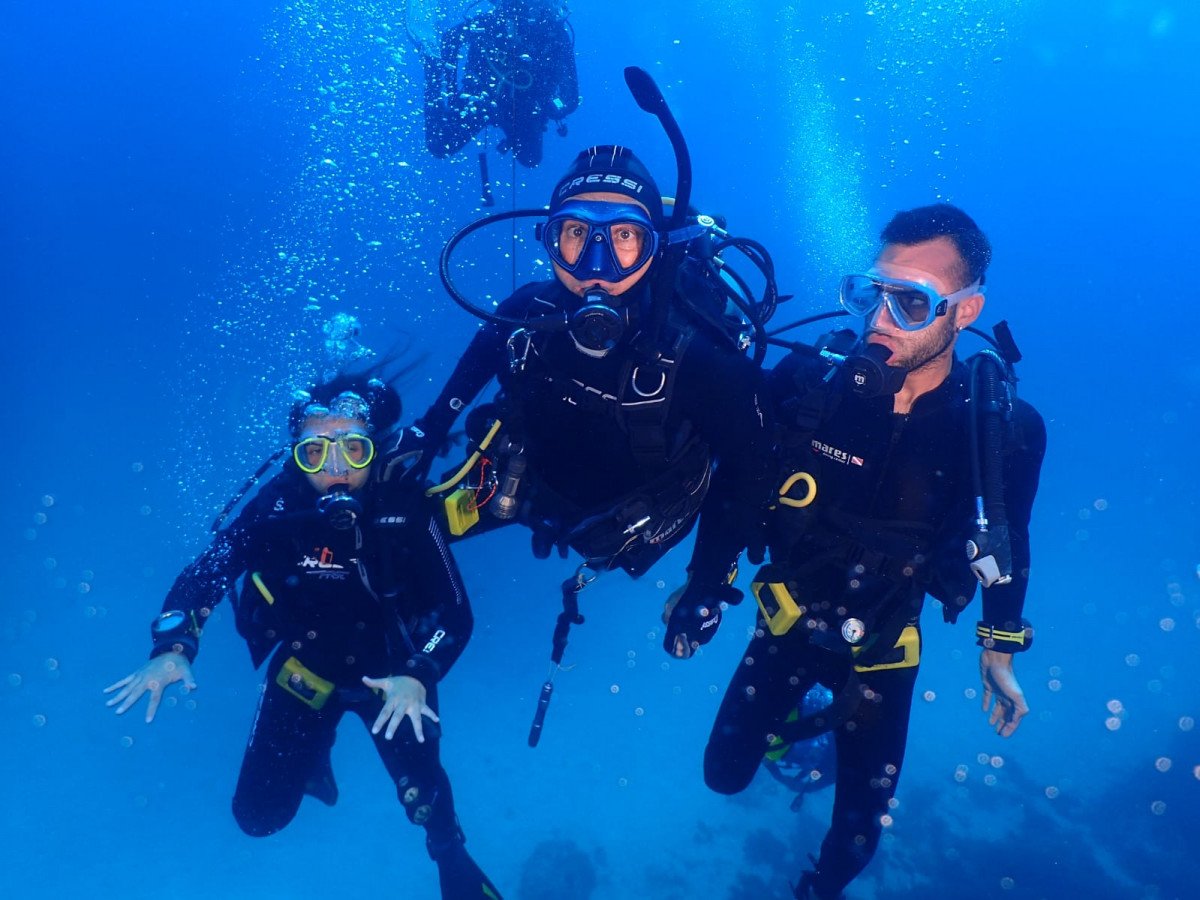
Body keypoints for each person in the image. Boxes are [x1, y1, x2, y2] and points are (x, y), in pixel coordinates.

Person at [699, 204, 1046, 899]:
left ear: (964, 310)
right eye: (871, 293)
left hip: (885, 645)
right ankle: (793, 732)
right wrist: (704, 580)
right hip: (787, 619)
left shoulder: (1001, 428)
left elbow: (1010, 537)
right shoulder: (807, 385)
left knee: (852, 847)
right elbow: (732, 488)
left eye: (912, 302)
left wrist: (998, 647)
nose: (881, 319)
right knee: (723, 773)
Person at [104, 375, 502, 900]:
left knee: (425, 799)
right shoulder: (275, 508)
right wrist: (173, 649)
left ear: (373, 452)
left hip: (394, 683)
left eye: (353, 450)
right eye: (316, 453)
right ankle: (317, 748)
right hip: (303, 673)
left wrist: (419, 674)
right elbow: (205, 574)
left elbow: (455, 614)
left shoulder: (404, 508)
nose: (335, 469)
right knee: (258, 818)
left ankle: (450, 851)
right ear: (298, 458)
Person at [403, 144, 773, 657]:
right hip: (522, 488)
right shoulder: (525, 311)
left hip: (631, 523)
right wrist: (425, 434)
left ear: (654, 247)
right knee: (392, 522)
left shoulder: (703, 362)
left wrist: (707, 581)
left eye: (624, 236)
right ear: (550, 239)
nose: (596, 263)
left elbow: (747, 469)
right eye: (576, 233)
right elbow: (465, 381)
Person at [420, 0, 579, 168]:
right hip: (483, 99)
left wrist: (551, 106)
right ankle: (432, 67)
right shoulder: (494, 21)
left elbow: (571, 96)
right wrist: (448, 90)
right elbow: (450, 40)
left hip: (526, 106)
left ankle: (433, 68)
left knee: (531, 159)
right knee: (439, 145)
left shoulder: (556, 35)